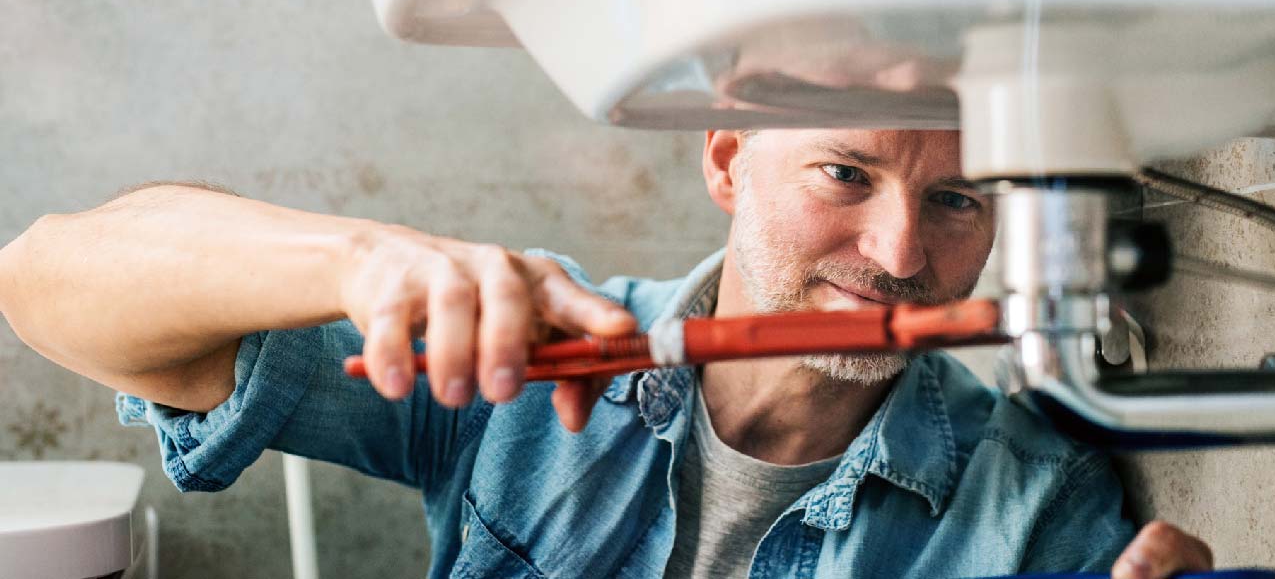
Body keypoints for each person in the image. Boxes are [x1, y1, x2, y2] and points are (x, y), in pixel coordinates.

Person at [0, 129, 1212, 578]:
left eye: (958, 199)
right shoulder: (518, 359)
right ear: (728, 158)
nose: (900, 249)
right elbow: (43, 280)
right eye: (847, 174)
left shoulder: (1037, 504)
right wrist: (361, 261)